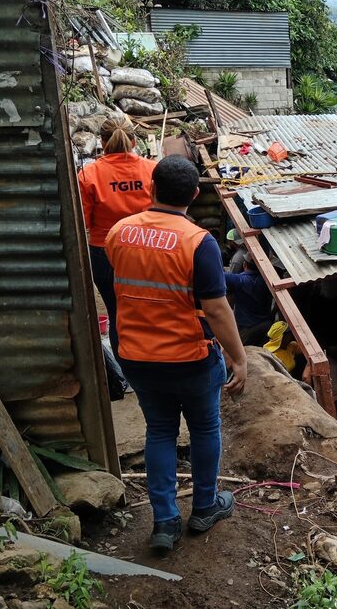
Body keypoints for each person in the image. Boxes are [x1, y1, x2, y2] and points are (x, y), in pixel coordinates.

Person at [106, 156, 247, 553]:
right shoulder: (198, 242)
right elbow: (217, 310)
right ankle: (204, 506)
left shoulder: (119, 232)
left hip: (136, 355)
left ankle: (165, 523)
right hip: (190, 357)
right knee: (204, 429)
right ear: (195, 195)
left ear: (151, 188)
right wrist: (240, 358)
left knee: (160, 431)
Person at [77, 116, 156, 361]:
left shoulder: (88, 175)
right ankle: (152, 362)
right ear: (133, 141)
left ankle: (127, 368)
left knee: (117, 313)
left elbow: (84, 222)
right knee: (150, 310)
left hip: (105, 253)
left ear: (102, 142)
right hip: (148, 250)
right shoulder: (152, 170)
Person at [225, 256, 273, 346]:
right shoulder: (267, 281)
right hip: (266, 326)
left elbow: (218, 274)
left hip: (247, 329)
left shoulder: (239, 280)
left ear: (244, 264)